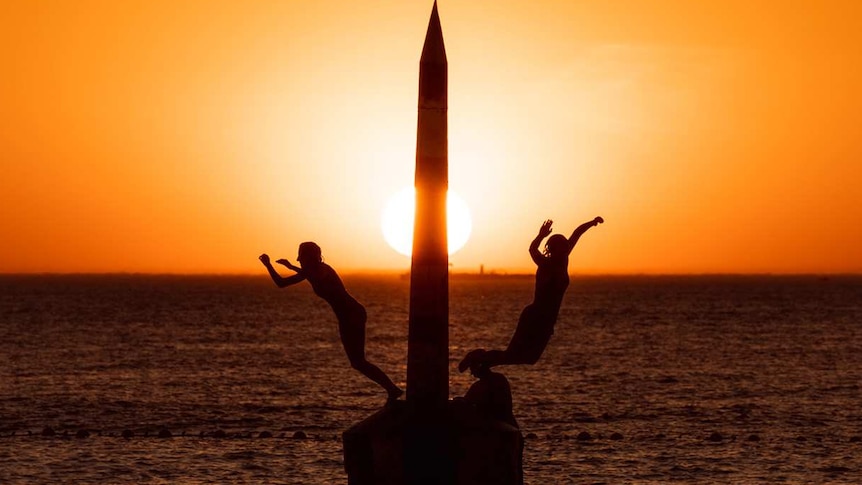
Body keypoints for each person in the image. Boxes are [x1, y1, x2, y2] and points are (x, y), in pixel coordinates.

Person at [259, 242, 403, 403]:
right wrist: (292, 267)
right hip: (349, 314)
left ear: (307, 257)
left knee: (358, 361)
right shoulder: (320, 268)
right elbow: (311, 277)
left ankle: (392, 389)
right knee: (357, 362)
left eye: (301, 257)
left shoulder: (315, 270)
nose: (299, 260)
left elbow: (281, 283)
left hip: (351, 314)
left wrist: (268, 265)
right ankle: (391, 389)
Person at [459, 217, 603, 371]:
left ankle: (484, 360)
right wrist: (541, 235)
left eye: (565, 246)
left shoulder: (564, 260)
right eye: (561, 247)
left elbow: (577, 233)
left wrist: (592, 222)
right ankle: (479, 358)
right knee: (517, 355)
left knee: (528, 358)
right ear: (553, 250)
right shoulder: (545, 264)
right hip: (535, 317)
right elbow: (533, 249)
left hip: (547, 320)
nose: (565, 249)